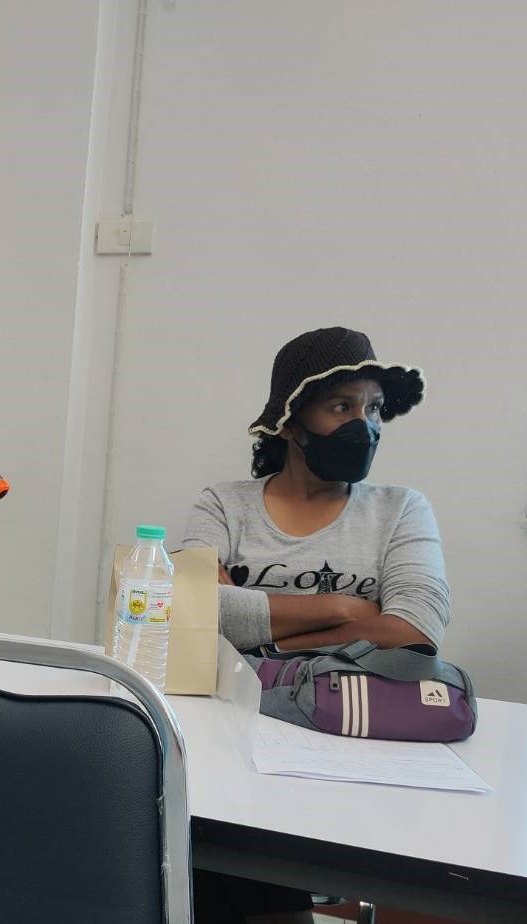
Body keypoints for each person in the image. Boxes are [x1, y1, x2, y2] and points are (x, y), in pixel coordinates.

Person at [184, 326, 449, 923]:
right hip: (231, 728)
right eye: (341, 407)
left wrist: (256, 629)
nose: (365, 425)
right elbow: (195, 608)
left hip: (348, 736)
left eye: (373, 409)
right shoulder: (225, 504)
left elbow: (415, 629)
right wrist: (346, 610)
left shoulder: (400, 510)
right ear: (289, 421)